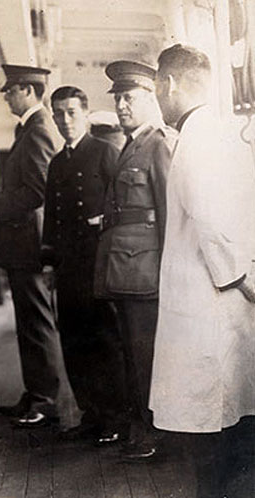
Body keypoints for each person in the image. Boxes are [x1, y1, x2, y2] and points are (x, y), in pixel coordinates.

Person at [151, 44, 255, 497]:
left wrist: (240, 277)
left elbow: (211, 216)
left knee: (212, 416)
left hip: (212, 293)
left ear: (168, 83)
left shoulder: (198, 139)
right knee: (223, 409)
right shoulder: (214, 133)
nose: (158, 94)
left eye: (157, 85)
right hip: (217, 292)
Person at [94, 60, 177, 460]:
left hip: (147, 270)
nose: (122, 106)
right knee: (132, 351)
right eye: (118, 99)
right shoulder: (131, 145)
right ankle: (141, 428)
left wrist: (170, 270)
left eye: (129, 98)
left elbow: (168, 212)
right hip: (128, 268)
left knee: (144, 355)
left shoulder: (157, 144)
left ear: (149, 99)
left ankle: (152, 433)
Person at [0, 64, 78, 429]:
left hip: (29, 242)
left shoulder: (38, 130)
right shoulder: (30, 129)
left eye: (10, 90)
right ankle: (35, 392)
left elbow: (40, 191)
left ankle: (45, 399)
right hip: (22, 243)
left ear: (27, 90)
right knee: (28, 321)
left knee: (36, 322)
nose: (7, 96)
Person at [42, 86, 126, 444]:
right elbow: (51, 216)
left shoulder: (106, 152)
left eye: (72, 112)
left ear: (86, 114)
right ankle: (90, 414)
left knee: (104, 339)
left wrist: (104, 222)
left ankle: (114, 418)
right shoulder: (57, 163)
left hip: (99, 264)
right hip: (68, 267)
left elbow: (123, 205)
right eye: (59, 114)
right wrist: (48, 263)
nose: (65, 120)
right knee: (73, 340)